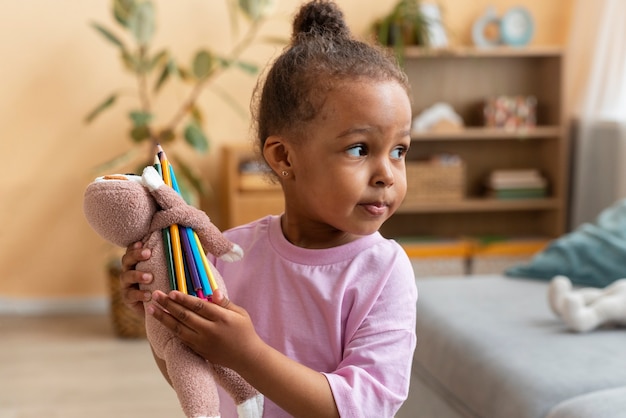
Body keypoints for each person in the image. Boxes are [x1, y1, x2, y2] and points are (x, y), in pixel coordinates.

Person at [120, 0, 417, 416]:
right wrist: (162, 319)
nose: (387, 173)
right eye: (359, 148)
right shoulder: (229, 254)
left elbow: (363, 408)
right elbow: (196, 378)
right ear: (284, 158)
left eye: (399, 150)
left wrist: (247, 354)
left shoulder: (385, 272)